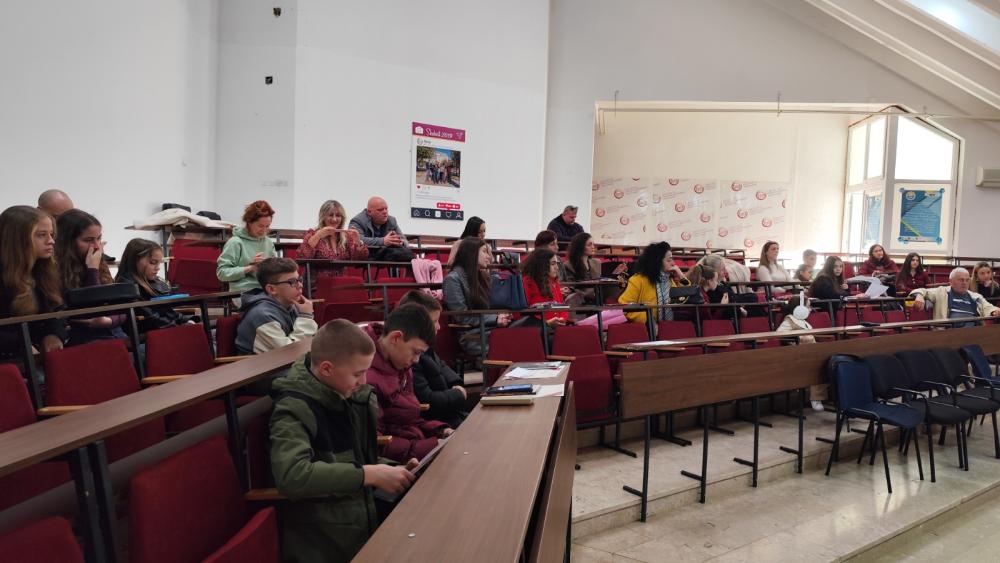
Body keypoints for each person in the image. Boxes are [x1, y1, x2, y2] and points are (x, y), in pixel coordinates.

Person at [269, 319, 418, 562]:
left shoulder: (346, 394)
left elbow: (355, 460)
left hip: (361, 523)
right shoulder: (293, 408)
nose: (364, 382)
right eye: (358, 374)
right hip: (325, 541)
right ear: (327, 369)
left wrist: (393, 471)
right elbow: (292, 476)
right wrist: (370, 474)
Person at [362, 304, 454, 463]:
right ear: (395, 338)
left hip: (412, 448)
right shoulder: (364, 376)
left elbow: (408, 417)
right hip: (395, 464)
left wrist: (440, 430)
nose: (416, 360)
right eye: (415, 352)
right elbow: (377, 444)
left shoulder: (399, 365)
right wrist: (431, 446)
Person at [0, 206, 66, 356]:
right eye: (41, 235)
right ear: (17, 239)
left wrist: (54, 334)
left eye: (51, 234)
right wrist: (22, 345)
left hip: (37, 355)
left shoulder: (44, 270)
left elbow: (58, 309)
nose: (51, 241)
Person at [55, 210, 126, 346]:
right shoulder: (56, 271)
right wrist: (92, 270)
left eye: (99, 238)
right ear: (68, 242)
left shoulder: (100, 263)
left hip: (116, 335)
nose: (97, 246)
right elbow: (94, 308)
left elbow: (121, 308)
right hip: (86, 341)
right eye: (88, 240)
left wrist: (109, 321)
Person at [398, 290, 468, 427]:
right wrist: (457, 394)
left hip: (450, 415)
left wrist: (457, 385)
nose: (439, 327)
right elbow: (427, 400)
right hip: (439, 423)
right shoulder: (411, 358)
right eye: (434, 321)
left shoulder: (427, 347)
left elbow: (443, 368)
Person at [442, 238, 511, 357]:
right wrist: (495, 319)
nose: (488, 257)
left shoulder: (483, 276)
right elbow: (461, 317)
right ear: (471, 253)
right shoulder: (453, 279)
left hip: (492, 329)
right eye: (484, 251)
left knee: (529, 327)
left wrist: (504, 315)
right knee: (522, 336)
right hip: (473, 336)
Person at [235, 258, 317, 355]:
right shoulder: (262, 316)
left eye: (299, 280)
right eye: (292, 282)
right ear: (271, 289)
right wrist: (306, 317)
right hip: (262, 364)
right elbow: (289, 353)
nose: (300, 285)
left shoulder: (292, 306)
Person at [115, 239, 194, 330]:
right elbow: (151, 317)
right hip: (147, 334)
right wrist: (179, 327)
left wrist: (186, 320)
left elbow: (167, 312)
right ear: (136, 260)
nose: (158, 268)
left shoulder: (149, 282)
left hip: (162, 328)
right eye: (153, 262)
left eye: (159, 263)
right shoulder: (126, 287)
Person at [775, 296, 826, 412]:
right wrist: (796, 341)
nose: (810, 309)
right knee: (817, 365)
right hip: (798, 355)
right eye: (808, 306)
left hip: (811, 352)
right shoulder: (789, 320)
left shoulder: (804, 322)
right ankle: (816, 398)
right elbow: (779, 334)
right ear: (799, 308)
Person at [618, 242, 689, 324]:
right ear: (657, 262)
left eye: (672, 259)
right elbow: (625, 306)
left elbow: (687, 297)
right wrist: (649, 321)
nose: (673, 263)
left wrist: (681, 275)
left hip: (670, 326)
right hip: (647, 328)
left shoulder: (670, 280)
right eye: (669, 260)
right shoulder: (638, 280)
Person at [296, 200, 368, 281]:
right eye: (330, 215)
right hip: (317, 283)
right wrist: (318, 235)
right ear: (323, 217)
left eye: (338, 215)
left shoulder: (346, 236)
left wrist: (357, 241)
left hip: (341, 283)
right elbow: (302, 257)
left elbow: (360, 260)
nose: (334, 219)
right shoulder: (313, 234)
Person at [216, 200, 277, 294]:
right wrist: (250, 268)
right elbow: (222, 273)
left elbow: (275, 271)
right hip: (244, 292)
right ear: (249, 222)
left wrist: (268, 266)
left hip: (266, 290)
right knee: (267, 303)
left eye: (267, 226)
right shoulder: (235, 242)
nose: (264, 230)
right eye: (260, 226)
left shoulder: (268, 242)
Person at [910, 268, 1000, 326]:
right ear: (951, 281)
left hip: (974, 331)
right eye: (961, 280)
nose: (964, 283)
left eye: (967, 280)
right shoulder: (941, 292)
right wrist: (919, 296)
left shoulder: (975, 296)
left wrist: (994, 311)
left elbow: (988, 307)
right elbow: (922, 290)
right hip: (948, 332)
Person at [349, 197, 414, 262]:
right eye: (380, 210)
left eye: (386, 209)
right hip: (367, 256)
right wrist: (383, 241)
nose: (385, 212)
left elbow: (404, 240)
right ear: (369, 212)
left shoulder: (391, 220)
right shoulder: (357, 221)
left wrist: (399, 242)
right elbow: (357, 240)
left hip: (386, 255)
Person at [520, 248, 570, 327]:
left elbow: (562, 306)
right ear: (542, 265)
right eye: (553, 264)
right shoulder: (527, 281)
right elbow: (522, 313)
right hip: (537, 328)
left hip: (557, 326)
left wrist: (562, 319)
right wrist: (547, 323)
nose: (557, 267)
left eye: (557, 263)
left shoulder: (554, 282)